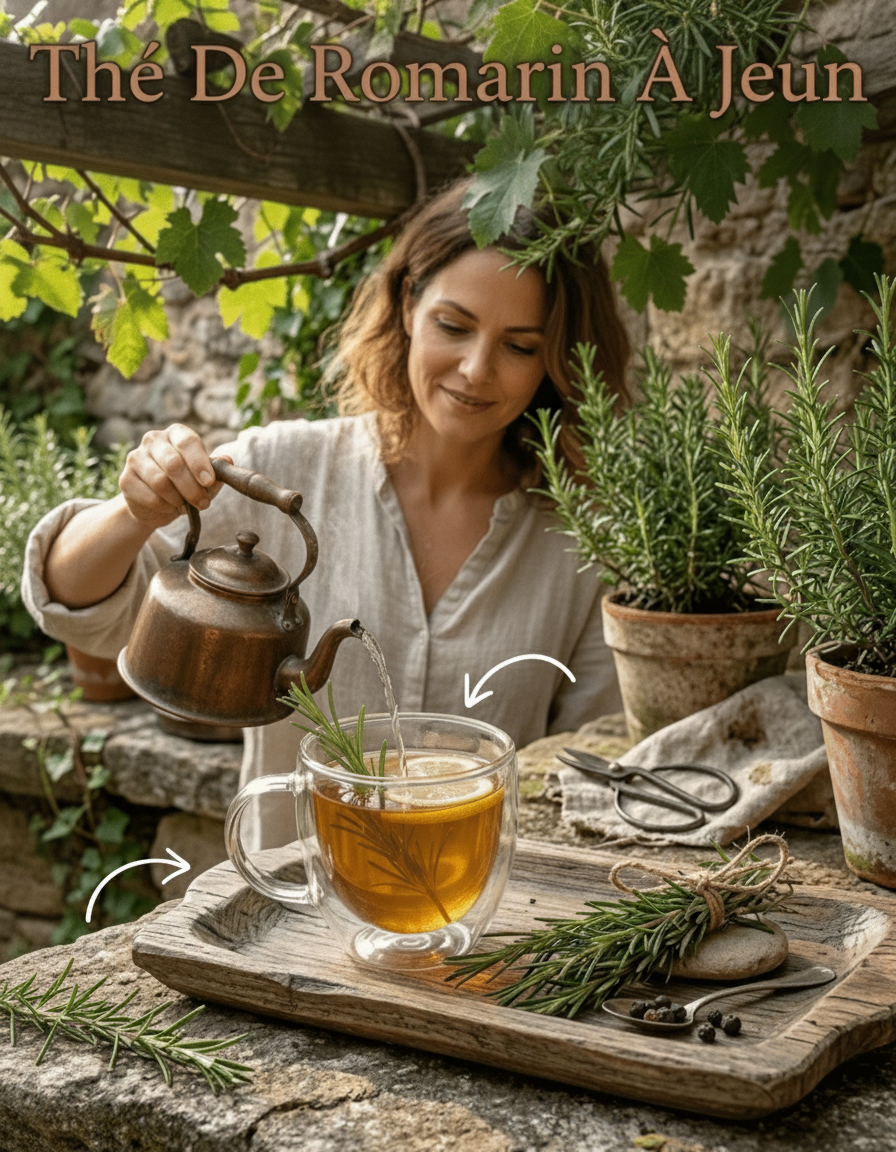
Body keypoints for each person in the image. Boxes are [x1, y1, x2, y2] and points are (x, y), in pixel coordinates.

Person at [22, 179, 630, 848]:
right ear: (407, 303)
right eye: (453, 326)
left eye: (520, 346)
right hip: (285, 913)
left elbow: (590, 763)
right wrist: (133, 511)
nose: (476, 370)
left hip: (475, 917)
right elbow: (75, 605)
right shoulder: (281, 472)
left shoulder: (579, 537)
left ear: (557, 358)